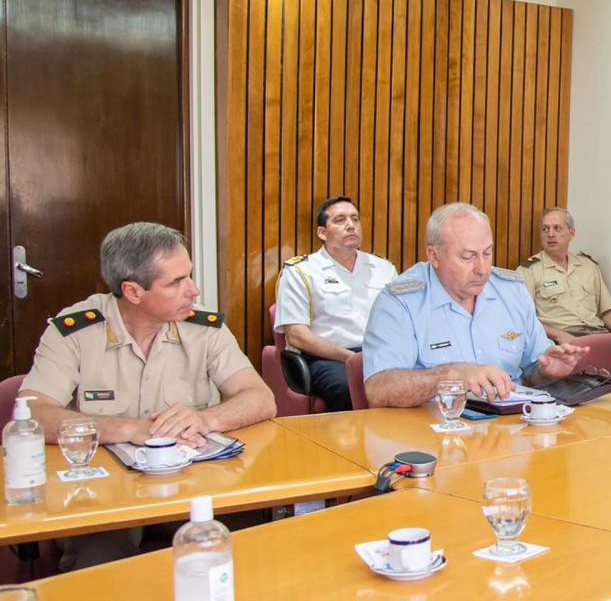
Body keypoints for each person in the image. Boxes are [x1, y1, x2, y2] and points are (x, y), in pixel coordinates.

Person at [19, 222, 276, 570]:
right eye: (177, 282)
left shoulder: (204, 328)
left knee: (254, 545)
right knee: (100, 561)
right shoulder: (75, 331)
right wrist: (129, 429)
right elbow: (33, 414)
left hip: (192, 486)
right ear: (133, 292)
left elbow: (260, 398)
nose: (194, 290)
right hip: (104, 495)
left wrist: (206, 419)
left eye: (190, 276)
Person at [361, 203, 588, 408]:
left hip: (510, 433)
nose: (482, 268)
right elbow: (379, 389)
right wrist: (451, 375)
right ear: (434, 255)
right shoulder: (400, 301)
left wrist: (549, 371)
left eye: (487, 253)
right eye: (468, 257)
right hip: (435, 434)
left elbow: (534, 371)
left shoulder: (511, 291)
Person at [274, 196, 397, 411]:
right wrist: (352, 358)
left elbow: (401, 319)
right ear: (322, 232)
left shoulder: (384, 268)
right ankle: (356, 444)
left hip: (380, 353)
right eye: (340, 220)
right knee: (348, 387)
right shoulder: (300, 271)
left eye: (355, 219)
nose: (351, 225)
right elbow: (296, 335)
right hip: (330, 357)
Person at [519, 207, 611, 344]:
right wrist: (558, 335)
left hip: (598, 335)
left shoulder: (588, 267)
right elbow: (524, 318)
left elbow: (607, 313)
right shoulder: (528, 270)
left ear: (572, 233)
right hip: (559, 339)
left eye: (557, 228)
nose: (550, 234)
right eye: (545, 229)